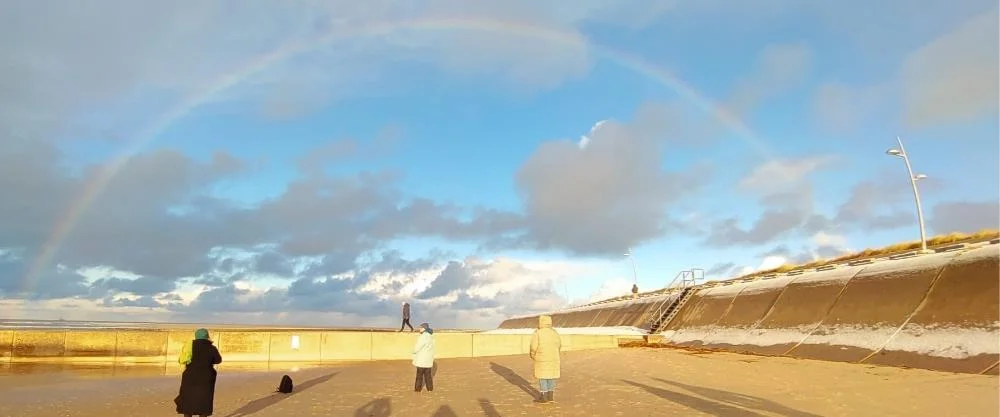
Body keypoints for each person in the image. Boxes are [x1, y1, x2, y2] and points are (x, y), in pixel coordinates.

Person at [174, 328, 223, 417]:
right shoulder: (211, 348)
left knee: (188, 397)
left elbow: (183, 359)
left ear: (196, 337)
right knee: (204, 398)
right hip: (206, 377)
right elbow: (218, 360)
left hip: (190, 376)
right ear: (207, 337)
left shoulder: (189, 346)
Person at [530, 315, 561, 404]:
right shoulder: (554, 332)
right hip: (553, 357)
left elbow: (533, 346)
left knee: (543, 376)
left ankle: (544, 396)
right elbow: (559, 345)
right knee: (551, 376)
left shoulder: (538, 333)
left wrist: (533, 355)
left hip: (542, 357)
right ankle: (550, 396)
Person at [412, 322, 436, 392]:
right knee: (428, 376)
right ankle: (430, 389)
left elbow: (417, 347)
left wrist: (413, 352)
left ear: (424, 329)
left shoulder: (423, 336)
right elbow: (433, 349)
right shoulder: (431, 337)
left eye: (421, 327)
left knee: (419, 376)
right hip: (428, 360)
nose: (419, 329)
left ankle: (417, 389)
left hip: (421, 360)